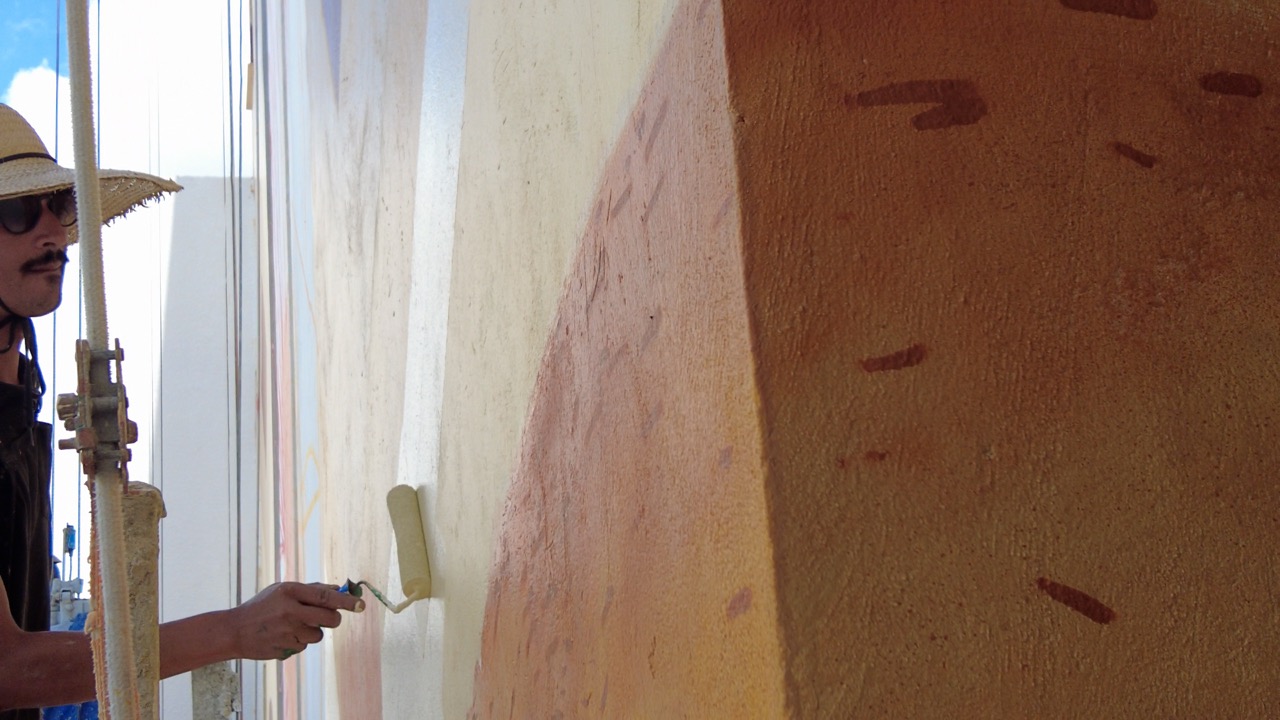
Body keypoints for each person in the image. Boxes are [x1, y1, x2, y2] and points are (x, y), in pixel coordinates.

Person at [0, 104, 361, 717]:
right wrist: (232, 631)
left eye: (58, 205)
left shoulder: (21, 386)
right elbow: (6, 670)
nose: (53, 231)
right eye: (17, 212)